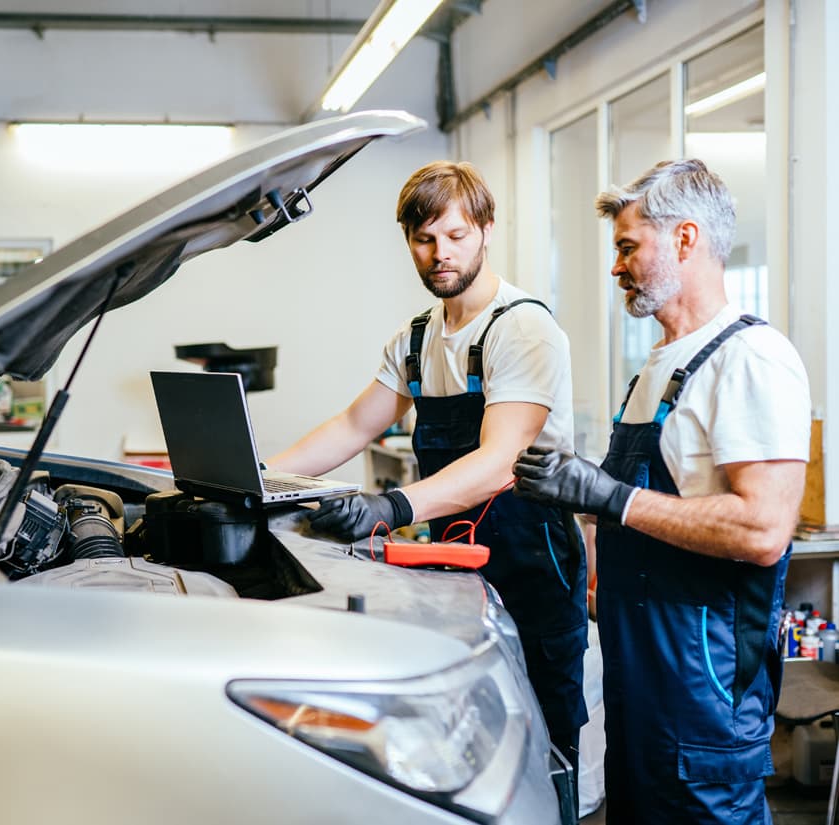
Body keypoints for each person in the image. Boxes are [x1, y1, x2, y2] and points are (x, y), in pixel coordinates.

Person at [269, 160, 588, 784]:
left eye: (455, 236)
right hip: (455, 564)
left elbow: (500, 463)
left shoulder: (521, 328)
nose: (439, 254)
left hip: (532, 565)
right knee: (471, 740)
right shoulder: (416, 340)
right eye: (424, 239)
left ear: (487, 230)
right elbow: (353, 425)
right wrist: (254, 479)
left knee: (542, 745)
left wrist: (388, 509)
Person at [513, 159, 810, 824]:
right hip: (640, 683)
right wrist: (579, 496)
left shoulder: (750, 359)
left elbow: (764, 529)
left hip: (704, 699)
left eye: (626, 247)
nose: (616, 268)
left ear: (684, 239)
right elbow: (650, 507)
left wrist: (609, 496)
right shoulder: (656, 366)